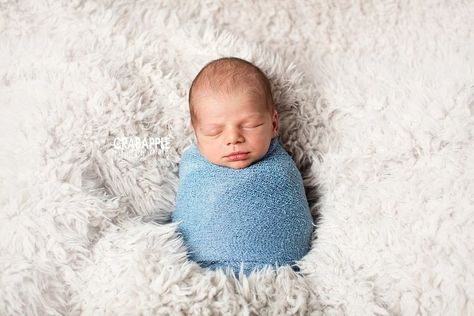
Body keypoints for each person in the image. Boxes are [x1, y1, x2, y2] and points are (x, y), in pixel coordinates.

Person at [171, 57, 314, 276]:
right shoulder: (194, 166)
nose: (233, 138)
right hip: (201, 273)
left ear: (274, 124)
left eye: (249, 125)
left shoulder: (282, 170)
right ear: (196, 132)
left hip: (279, 274)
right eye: (214, 131)